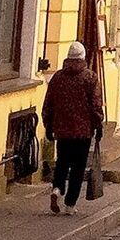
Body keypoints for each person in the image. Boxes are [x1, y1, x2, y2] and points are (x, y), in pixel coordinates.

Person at [41, 41, 102, 215]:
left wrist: (48, 125)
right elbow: (95, 104)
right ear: (83, 57)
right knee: (78, 168)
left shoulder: (58, 77)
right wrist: (98, 124)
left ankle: (57, 189)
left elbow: (48, 104)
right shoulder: (90, 78)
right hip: (83, 131)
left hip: (62, 130)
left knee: (62, 162)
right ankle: (70, 205)